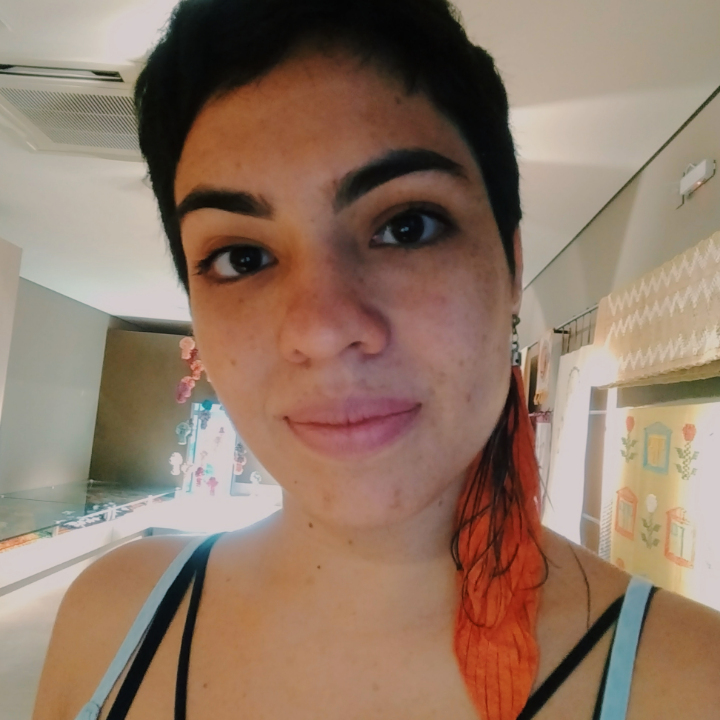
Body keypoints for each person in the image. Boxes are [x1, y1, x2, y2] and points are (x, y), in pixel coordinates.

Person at [32, 1, 720, 719]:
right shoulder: (111, 621)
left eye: (406, 226)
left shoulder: (695, 683)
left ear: (511, 264)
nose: (323, 329)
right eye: (242, 258)